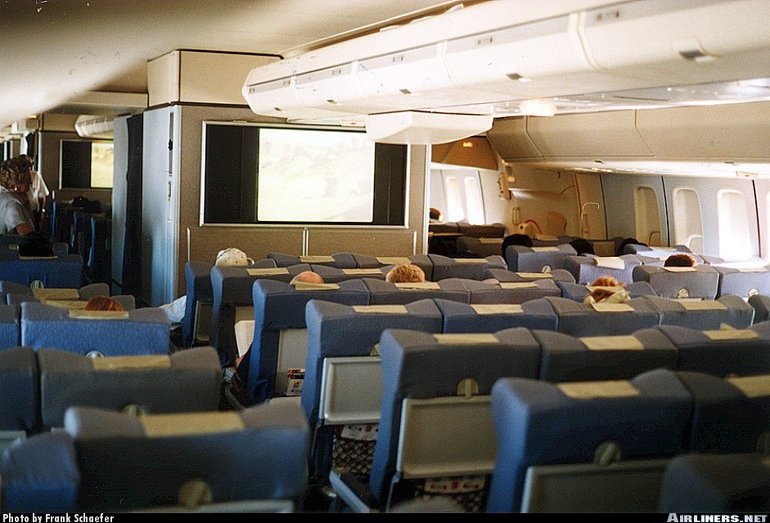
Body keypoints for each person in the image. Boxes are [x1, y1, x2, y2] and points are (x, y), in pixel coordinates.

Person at [0, 159, 34, 236]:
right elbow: (26, 234)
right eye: (28, 180)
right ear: (17, 183)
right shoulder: (12, 203)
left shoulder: (3, 196)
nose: (31, 182)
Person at [15, 155, 49, 232]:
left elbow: (42, 196)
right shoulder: (15, 176)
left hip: (34, 209)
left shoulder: (36, 175)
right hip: (20, 209)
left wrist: (41, 212)